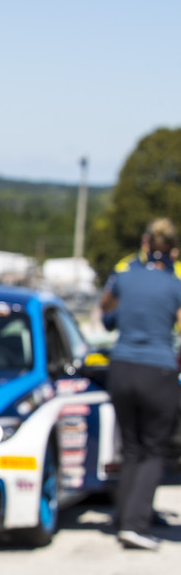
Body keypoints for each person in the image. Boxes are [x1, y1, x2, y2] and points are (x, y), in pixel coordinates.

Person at [99, 217, 181, 551]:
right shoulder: (174, 282)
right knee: (153, 450)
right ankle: (135, 524)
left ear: (145, 243)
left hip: (120, 368)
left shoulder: (124, 274)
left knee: (131, 447)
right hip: (157, 371)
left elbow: (106, 316)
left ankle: (125, 515)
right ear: (173, 250)